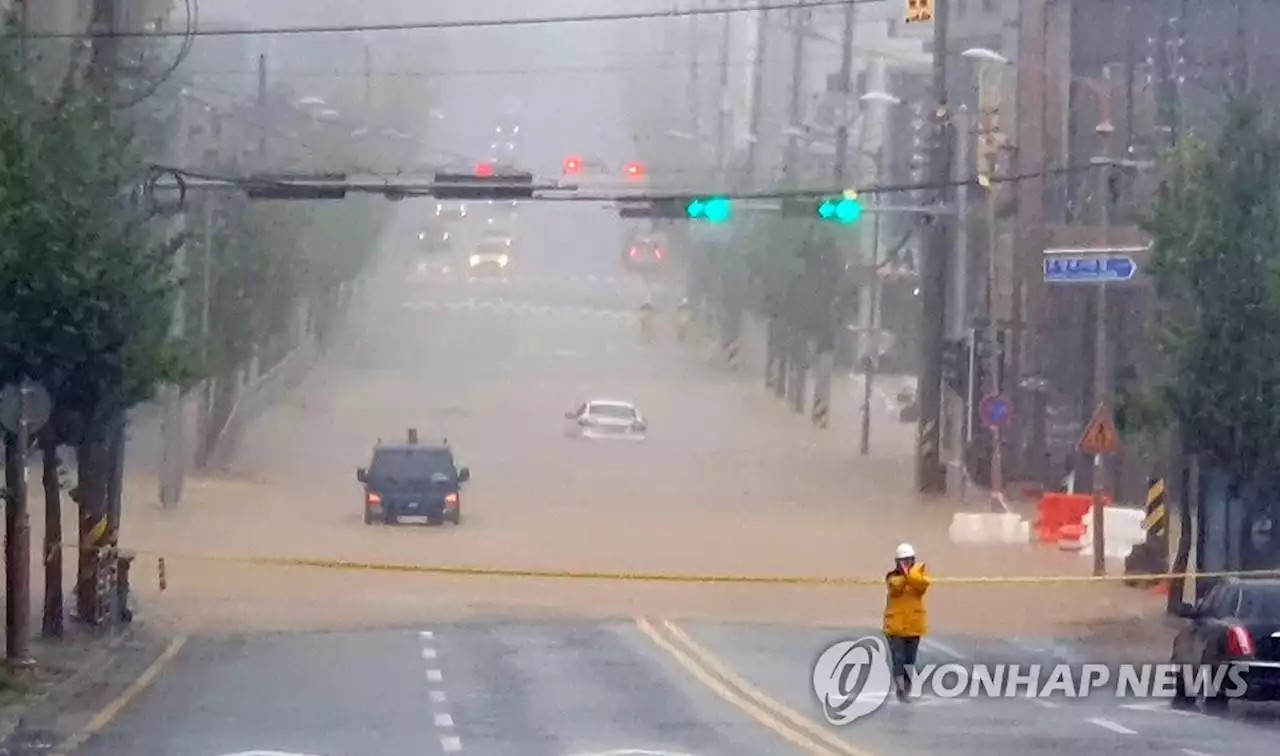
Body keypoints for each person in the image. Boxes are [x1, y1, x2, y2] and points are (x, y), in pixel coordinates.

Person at [883, 542, 930, 702]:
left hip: (913, 626)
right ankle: (900, 689)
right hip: (895, 627)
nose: (906, 563)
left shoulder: (919, 576)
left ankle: (907, 688)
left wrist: (909, 575)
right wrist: (905, 575)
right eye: (903, 561)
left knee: (910, 660)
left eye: (909, 560)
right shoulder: (892, 577)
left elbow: (921, 586)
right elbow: (895, 588)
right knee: (898, 658)